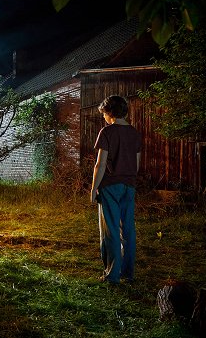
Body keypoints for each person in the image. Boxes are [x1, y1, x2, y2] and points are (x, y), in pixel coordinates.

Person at [91, 95, 141, 285]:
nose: (103, 117)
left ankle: (111, 275)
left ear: (109, 112)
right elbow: (136, 164)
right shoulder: (135, 133)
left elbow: (100, 165)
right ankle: (128, 275)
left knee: (110, 230)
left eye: (104, 113)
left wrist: (94, 187)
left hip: (110, 186)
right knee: (128, 230)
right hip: (129, 186)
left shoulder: (107, 132)